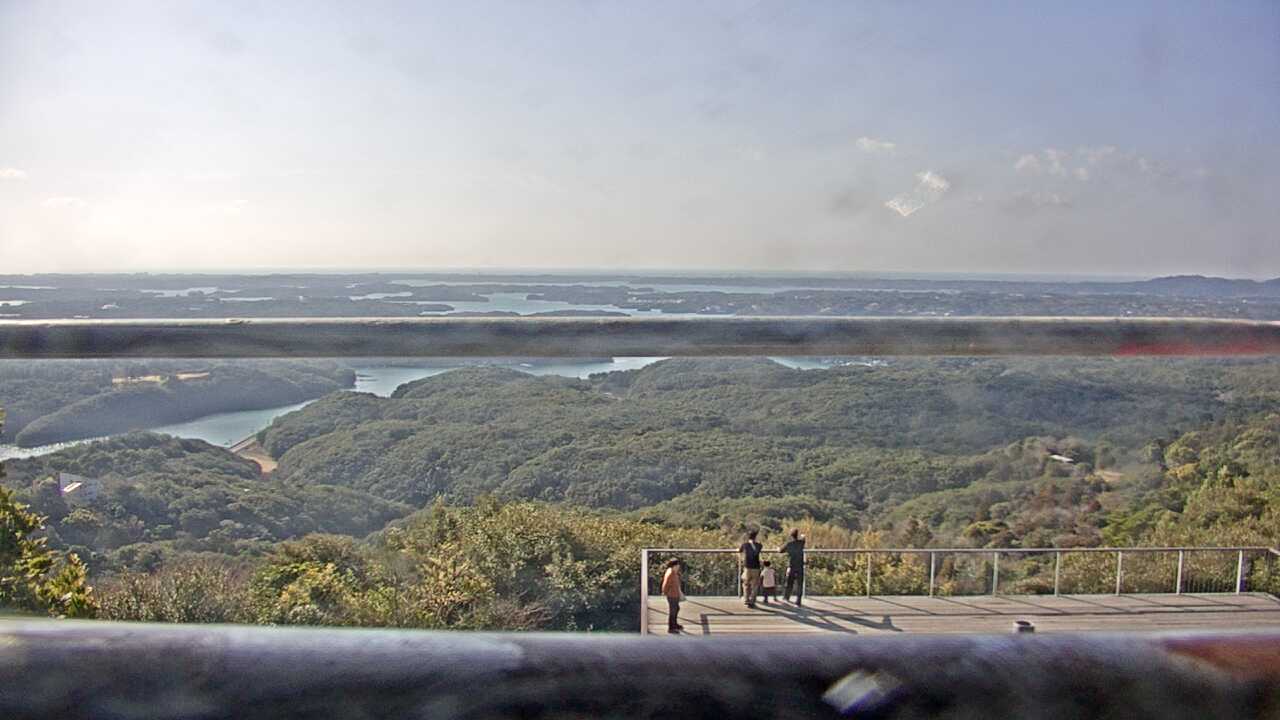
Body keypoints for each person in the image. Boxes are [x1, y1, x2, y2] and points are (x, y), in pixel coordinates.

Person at [781, 529, 806, 606]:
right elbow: (803, 537)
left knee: (789, 582)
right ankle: (798, 601)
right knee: (799, 584)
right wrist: (802, 536)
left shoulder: (789, 544)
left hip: (792, 565)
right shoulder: (801, 543)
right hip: (800, 566)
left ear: (791, 535)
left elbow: (781, 550)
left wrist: (777, 548)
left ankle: (786, 597)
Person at [739, 530, 763, 608]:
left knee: (746, 584)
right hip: (756, 567)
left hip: (747, 567)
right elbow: (759, 549)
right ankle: (752, 600)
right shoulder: (759, 545)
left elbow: (740, 550)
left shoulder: (745, 545)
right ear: (755, 537)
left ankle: (746, 600)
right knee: (755, 585)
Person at [660, 558, 684, 633]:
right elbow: (666, 584)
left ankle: (675, 624)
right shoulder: (670, 573)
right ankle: (671, 628)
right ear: (674, 565)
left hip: (675, 594)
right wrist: (665, 592)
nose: (679, 566)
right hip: (672, 595)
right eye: (677, 565)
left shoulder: (673, 571)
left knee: (676, 608)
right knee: (673, 611)